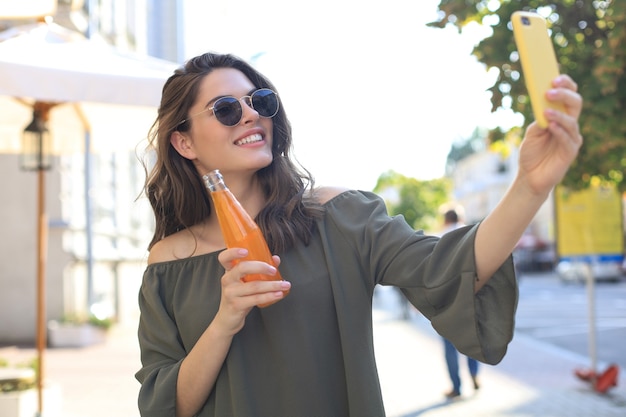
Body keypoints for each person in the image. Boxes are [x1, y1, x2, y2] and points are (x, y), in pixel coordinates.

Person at [135, 52, 583, 417]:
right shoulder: (168, 261)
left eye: (261, 101)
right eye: (227, 109)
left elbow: (451, 269)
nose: (251, 115)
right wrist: (224, 321)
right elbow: (167, 405)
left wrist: (529, 186)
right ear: (184, 142)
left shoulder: (337, 219)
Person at [438, 209, 480, 399]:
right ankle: (474, 373)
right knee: (471, 339)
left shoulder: (441, 237)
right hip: (470, 295)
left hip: (447, 298)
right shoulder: (472, 233)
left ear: (446, 219)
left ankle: (456, 387)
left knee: (449, 346)